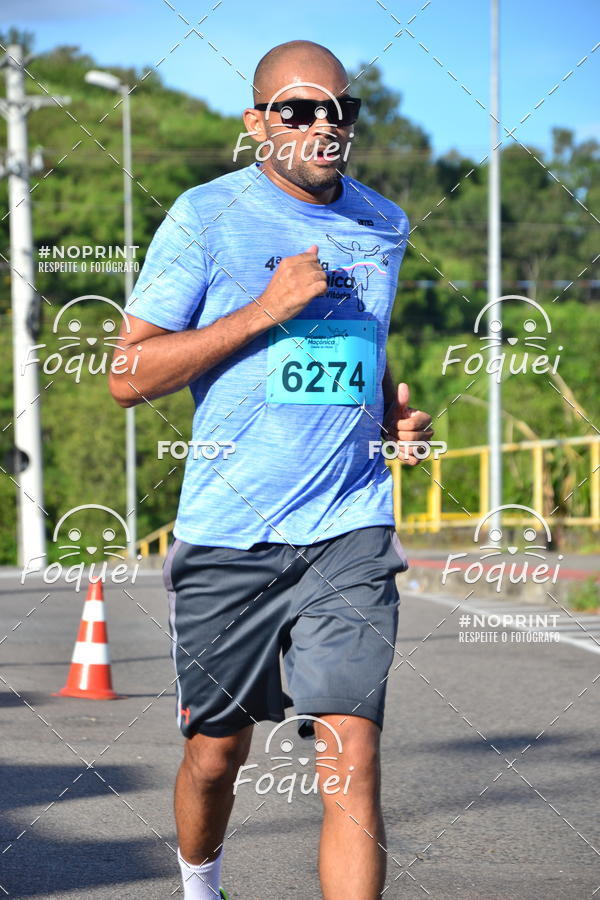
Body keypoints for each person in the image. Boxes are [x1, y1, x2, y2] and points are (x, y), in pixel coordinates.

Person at [109, 39, 433, 900]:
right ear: (259, 124)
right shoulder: (206, 217)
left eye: (341, 109)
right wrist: (264, 309)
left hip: (349, 528)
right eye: (300, 109)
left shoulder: (383, 222)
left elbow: (359, 345)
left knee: (352, 753)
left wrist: (387, 414)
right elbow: (127, 375)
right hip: (231, 533)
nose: (325, 125)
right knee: (217, 753)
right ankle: (200, 884)